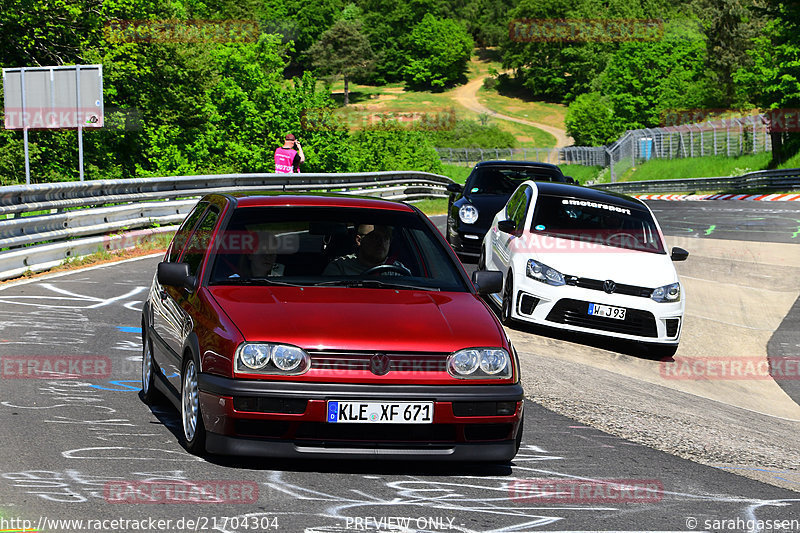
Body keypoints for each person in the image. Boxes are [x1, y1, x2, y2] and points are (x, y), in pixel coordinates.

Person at [323, 224, 408, 276]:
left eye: (386, 238)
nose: (381, 243)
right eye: (374, 237)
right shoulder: (339, 269)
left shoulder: (398, 270)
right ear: (359, 240)